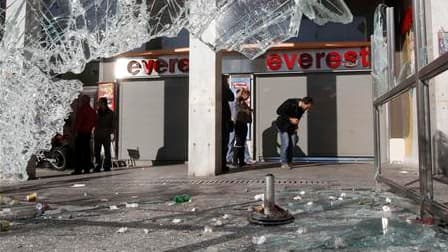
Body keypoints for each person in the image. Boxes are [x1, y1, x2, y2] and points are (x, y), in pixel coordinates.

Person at [275, 97, 313, 169]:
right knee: (286, 143)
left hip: (291, 127)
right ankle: (284, 162)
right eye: (307, 107)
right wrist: (290, 119)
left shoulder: (302, 109)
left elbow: (298, 118)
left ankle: (289, 161)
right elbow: (279, 111)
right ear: (304, 103)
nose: (307, 109)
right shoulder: (290, 102)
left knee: (292, 143)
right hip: (282, 125)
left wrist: (296, 126)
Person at [73, 95, 96, 175]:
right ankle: (87, 168)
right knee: (86, 151)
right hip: (88, 133)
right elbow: (93, 122)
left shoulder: (82, 110)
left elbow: (79, 122)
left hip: (81, 133)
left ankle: (78, 169)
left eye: (82, 100)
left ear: (84, 101)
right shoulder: (92, 111)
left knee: (79, 152)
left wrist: (75, 131)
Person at [94, 97, 115, 172]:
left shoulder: (110, 113)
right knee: (97, 151)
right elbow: (94, 122)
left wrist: (112, 133)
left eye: (100, 103)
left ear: (104, 103)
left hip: (106, 134)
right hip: (98, 134)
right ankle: (97, 166)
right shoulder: (96, 112)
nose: (98, 104)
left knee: (107, 151)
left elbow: (113, 124)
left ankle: (107, 166)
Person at [233, 88, 253, 168]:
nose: (248, 97)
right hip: (239, 123)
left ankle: (241, 161)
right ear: (243, 94)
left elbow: (246, 110)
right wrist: (241, 90)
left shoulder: (243, 102)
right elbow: (237, 98)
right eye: (247, 95)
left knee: (242, 143)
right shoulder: (237, 101)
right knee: (239, 142)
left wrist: (249, 110)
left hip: (244, 123)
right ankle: (235, 161)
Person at [222, 83, 235, 173]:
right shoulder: (223, 88)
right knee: (224, 144)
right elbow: (231, 97)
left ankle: (223, 163)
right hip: (223, 121)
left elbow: (231, 97)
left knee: (225, 144)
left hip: (225, 120)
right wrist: (226, 86)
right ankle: (222, 164)